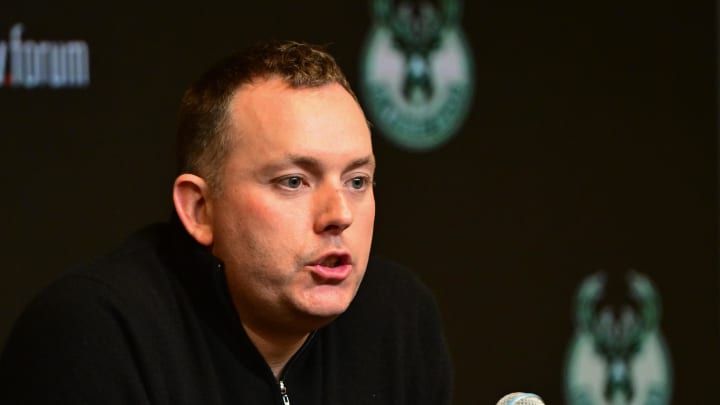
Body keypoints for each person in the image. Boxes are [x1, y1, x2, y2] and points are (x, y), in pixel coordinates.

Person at [0, 40, 452, 404]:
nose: (340, 214)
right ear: (199, 209)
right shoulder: (96, 332)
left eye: (357, 180)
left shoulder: (400, 317)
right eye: (294, 181)